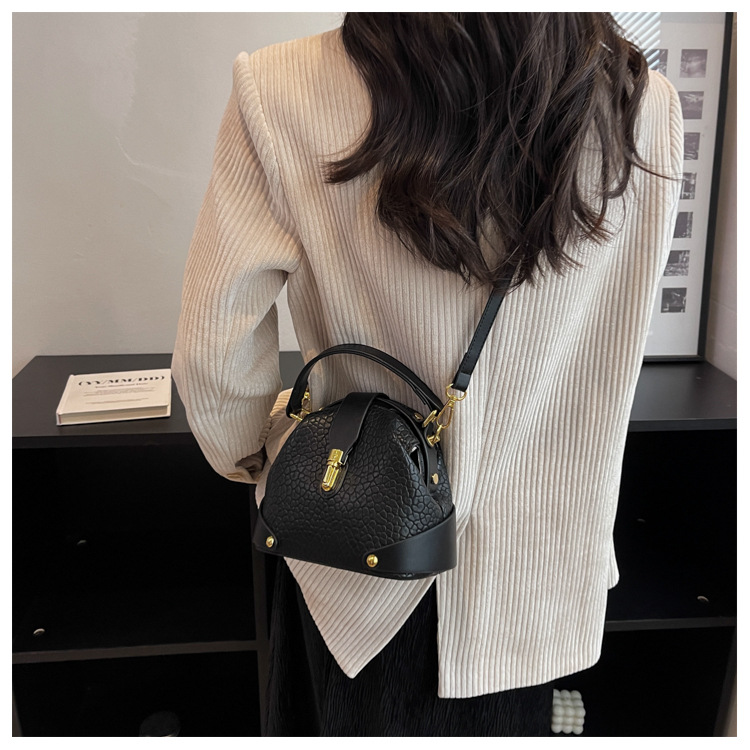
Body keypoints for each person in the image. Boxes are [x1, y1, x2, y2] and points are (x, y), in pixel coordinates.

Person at [172, 13, 682, 736]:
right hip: (536, 573)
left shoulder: (281, 86)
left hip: (359, 554)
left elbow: (211, 359)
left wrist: (266, 458)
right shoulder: (643, 104)